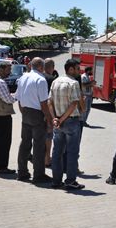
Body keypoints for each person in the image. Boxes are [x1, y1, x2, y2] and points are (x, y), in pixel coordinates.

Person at [48, 58, 85, 190]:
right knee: (72, 152)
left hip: (58, 122)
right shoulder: (73, 83)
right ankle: (70, 181)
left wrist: (55, 119)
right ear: (70, 69)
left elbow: (49, 102)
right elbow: (74, 103)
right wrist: (62, 119)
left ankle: (56, 181)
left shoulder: (55, 81)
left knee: (57, 152)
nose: (79, 71)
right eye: (77, 68)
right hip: (70, 121)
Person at [15, 58, 53, 183]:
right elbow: (44, 103)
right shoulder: (41, 80)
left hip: (25, 111)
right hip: (37, 113)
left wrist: (23, 112)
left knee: (25, 143)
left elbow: (19, 99)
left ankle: (22, 172)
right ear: (41, 67)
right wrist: (49, 120)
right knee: (39, 145)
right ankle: (38, 174)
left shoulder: (23, 77)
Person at [42, 58, 57, 167]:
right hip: (46, 111)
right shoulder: (51, 79)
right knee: (48, 136)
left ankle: (40, 157)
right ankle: (47, 159)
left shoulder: (38, 76)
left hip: (35, 111)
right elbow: (52, 99)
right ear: (51, 67)